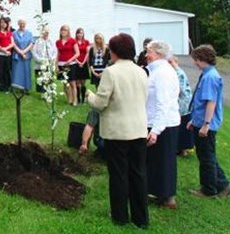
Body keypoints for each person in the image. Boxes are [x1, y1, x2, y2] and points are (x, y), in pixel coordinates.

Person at [86, 33, 149, 229]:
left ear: (114, 51)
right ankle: (141, 218)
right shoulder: (142, 72)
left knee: (119, 174)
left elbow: (100, 103)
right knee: (138, 173)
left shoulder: (110, 72)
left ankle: (120, 216)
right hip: (138, 130)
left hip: (117, 132)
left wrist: (89, 96)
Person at [187, 45, 230, 198]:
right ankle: (224, 185)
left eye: (195, 59)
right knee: (208, 155)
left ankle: (208, 189)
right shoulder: (208, 74)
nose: (194, 63)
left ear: (202, 59)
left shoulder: (210, 77)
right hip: (200, 121)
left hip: (206, 124)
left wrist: (205, 124)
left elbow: (211, 102)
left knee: (206, 158)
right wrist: (194, 120)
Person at [145, 40, 181, 209]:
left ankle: (168, 197)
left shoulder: (163, 73)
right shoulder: (156, 71)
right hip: (158, 121)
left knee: (164, 161)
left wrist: (156, 130)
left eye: (149, 51)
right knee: (157, 161)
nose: (146, 55)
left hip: (164, 124)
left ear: (159, 54)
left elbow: (163, 103)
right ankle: (160, 192)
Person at [167, 56, 194, 156]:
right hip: (183, 104)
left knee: (182, 127)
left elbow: (180, 89)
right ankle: (180, 148)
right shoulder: (177, 72)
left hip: (182, 104)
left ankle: (183, 150)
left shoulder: (178, 73)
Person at [56, 24, 79, 105]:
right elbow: (58, 55)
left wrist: (69, 61)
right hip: (61, 64)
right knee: (65, 83)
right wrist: (56, 66)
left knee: (72, 83)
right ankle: (69, 99)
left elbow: (77, 53)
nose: (63, 31)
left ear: (68, 32)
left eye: (65, 30)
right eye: (62, 30)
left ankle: (75, 100)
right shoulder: (58, 42)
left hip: (71, 64)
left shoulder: (72, 41)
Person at [32, 26, 57, 93]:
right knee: (40, 79)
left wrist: (52, 58)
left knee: (49, 79)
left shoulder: (51, 41)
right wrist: (40, 60)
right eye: (45, 32)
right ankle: (42, 93)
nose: (46, 34)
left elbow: (55, 51)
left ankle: (49, 91)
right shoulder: (38, 41)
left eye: (47, 32)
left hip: (49, 63)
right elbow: (34, 52)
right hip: (40, 63)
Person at [11, 19, 34, 92]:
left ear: (25, 24)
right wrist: (20, 52)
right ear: (18, 24)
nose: (22, 25)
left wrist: (24, 51)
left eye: (23, 23)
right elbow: (13, 44)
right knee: (17, 71)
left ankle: (26, 88)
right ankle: (16, 87)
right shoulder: (14, 33)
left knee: (26, 71)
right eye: (20, 23)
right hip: (17, 55)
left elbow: (31, 43)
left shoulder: (29, 33)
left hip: (26, 56)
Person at [0, 18, 15, 92]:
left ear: (7, 24)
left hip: (8, 55)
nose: (3, 24)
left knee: (7, 70)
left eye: (4, 23)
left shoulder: (9, 33)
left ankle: (7, 85)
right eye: (1, 22)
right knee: (0, 70)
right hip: (0, 54)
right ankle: (0, 86)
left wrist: (6, 49)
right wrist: (3, 50)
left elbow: (12, 43)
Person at [74, 28, 90, 103]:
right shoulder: (74, 42)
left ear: (83, 34)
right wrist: (78, 62)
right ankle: (78, 99)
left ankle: (83, 99)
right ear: (76, 34)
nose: (80, 34)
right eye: (78, 33)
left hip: (84, 63)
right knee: (77, 83)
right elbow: (73, 53)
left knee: (83, 82)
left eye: (81, 33)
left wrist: (83, 62)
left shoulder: (86, 42)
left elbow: (87, 53)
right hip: (76, 63)